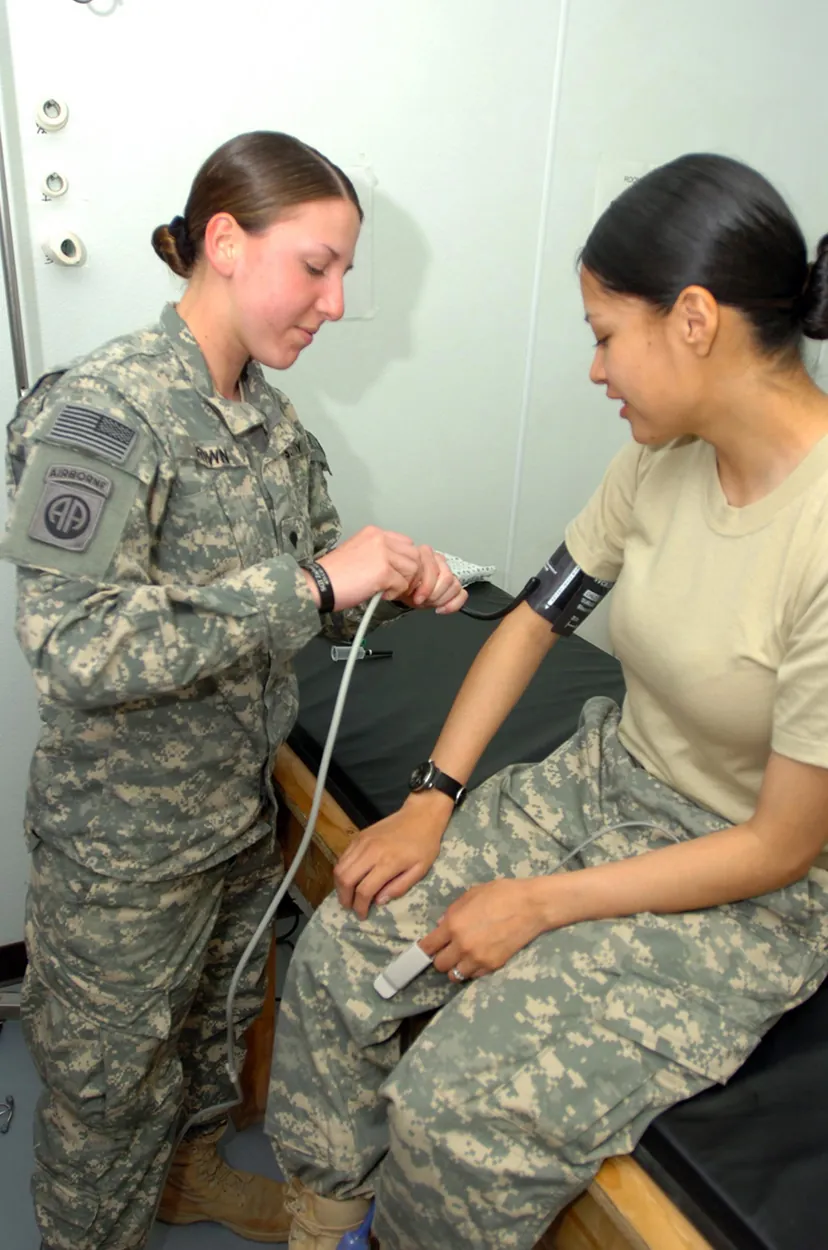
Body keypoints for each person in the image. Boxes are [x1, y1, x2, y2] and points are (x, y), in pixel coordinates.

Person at [267, 153, 828, 1250]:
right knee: (343, 955)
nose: (596, 368)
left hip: (747, 885)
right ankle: (325, 1224)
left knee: (455, 1115)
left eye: (605, 334)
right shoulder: (664, 458)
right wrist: (432, 797)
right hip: (608, 779)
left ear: (695, 320)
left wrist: (539, 902)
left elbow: (780, 845)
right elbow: (533, 618)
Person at [0, 130, 467, 1250]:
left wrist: (392, 582)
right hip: (124, 849)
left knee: (212, 1039)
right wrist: (318, 580)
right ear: (225, 242)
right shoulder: (103, 412)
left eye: (345, 273)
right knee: (109, 1093)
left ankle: (191, 1177)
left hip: (235, 816)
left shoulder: (270, 422)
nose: (336, 303)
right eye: (317, 266)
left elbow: (306, 599)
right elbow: (72, 643)